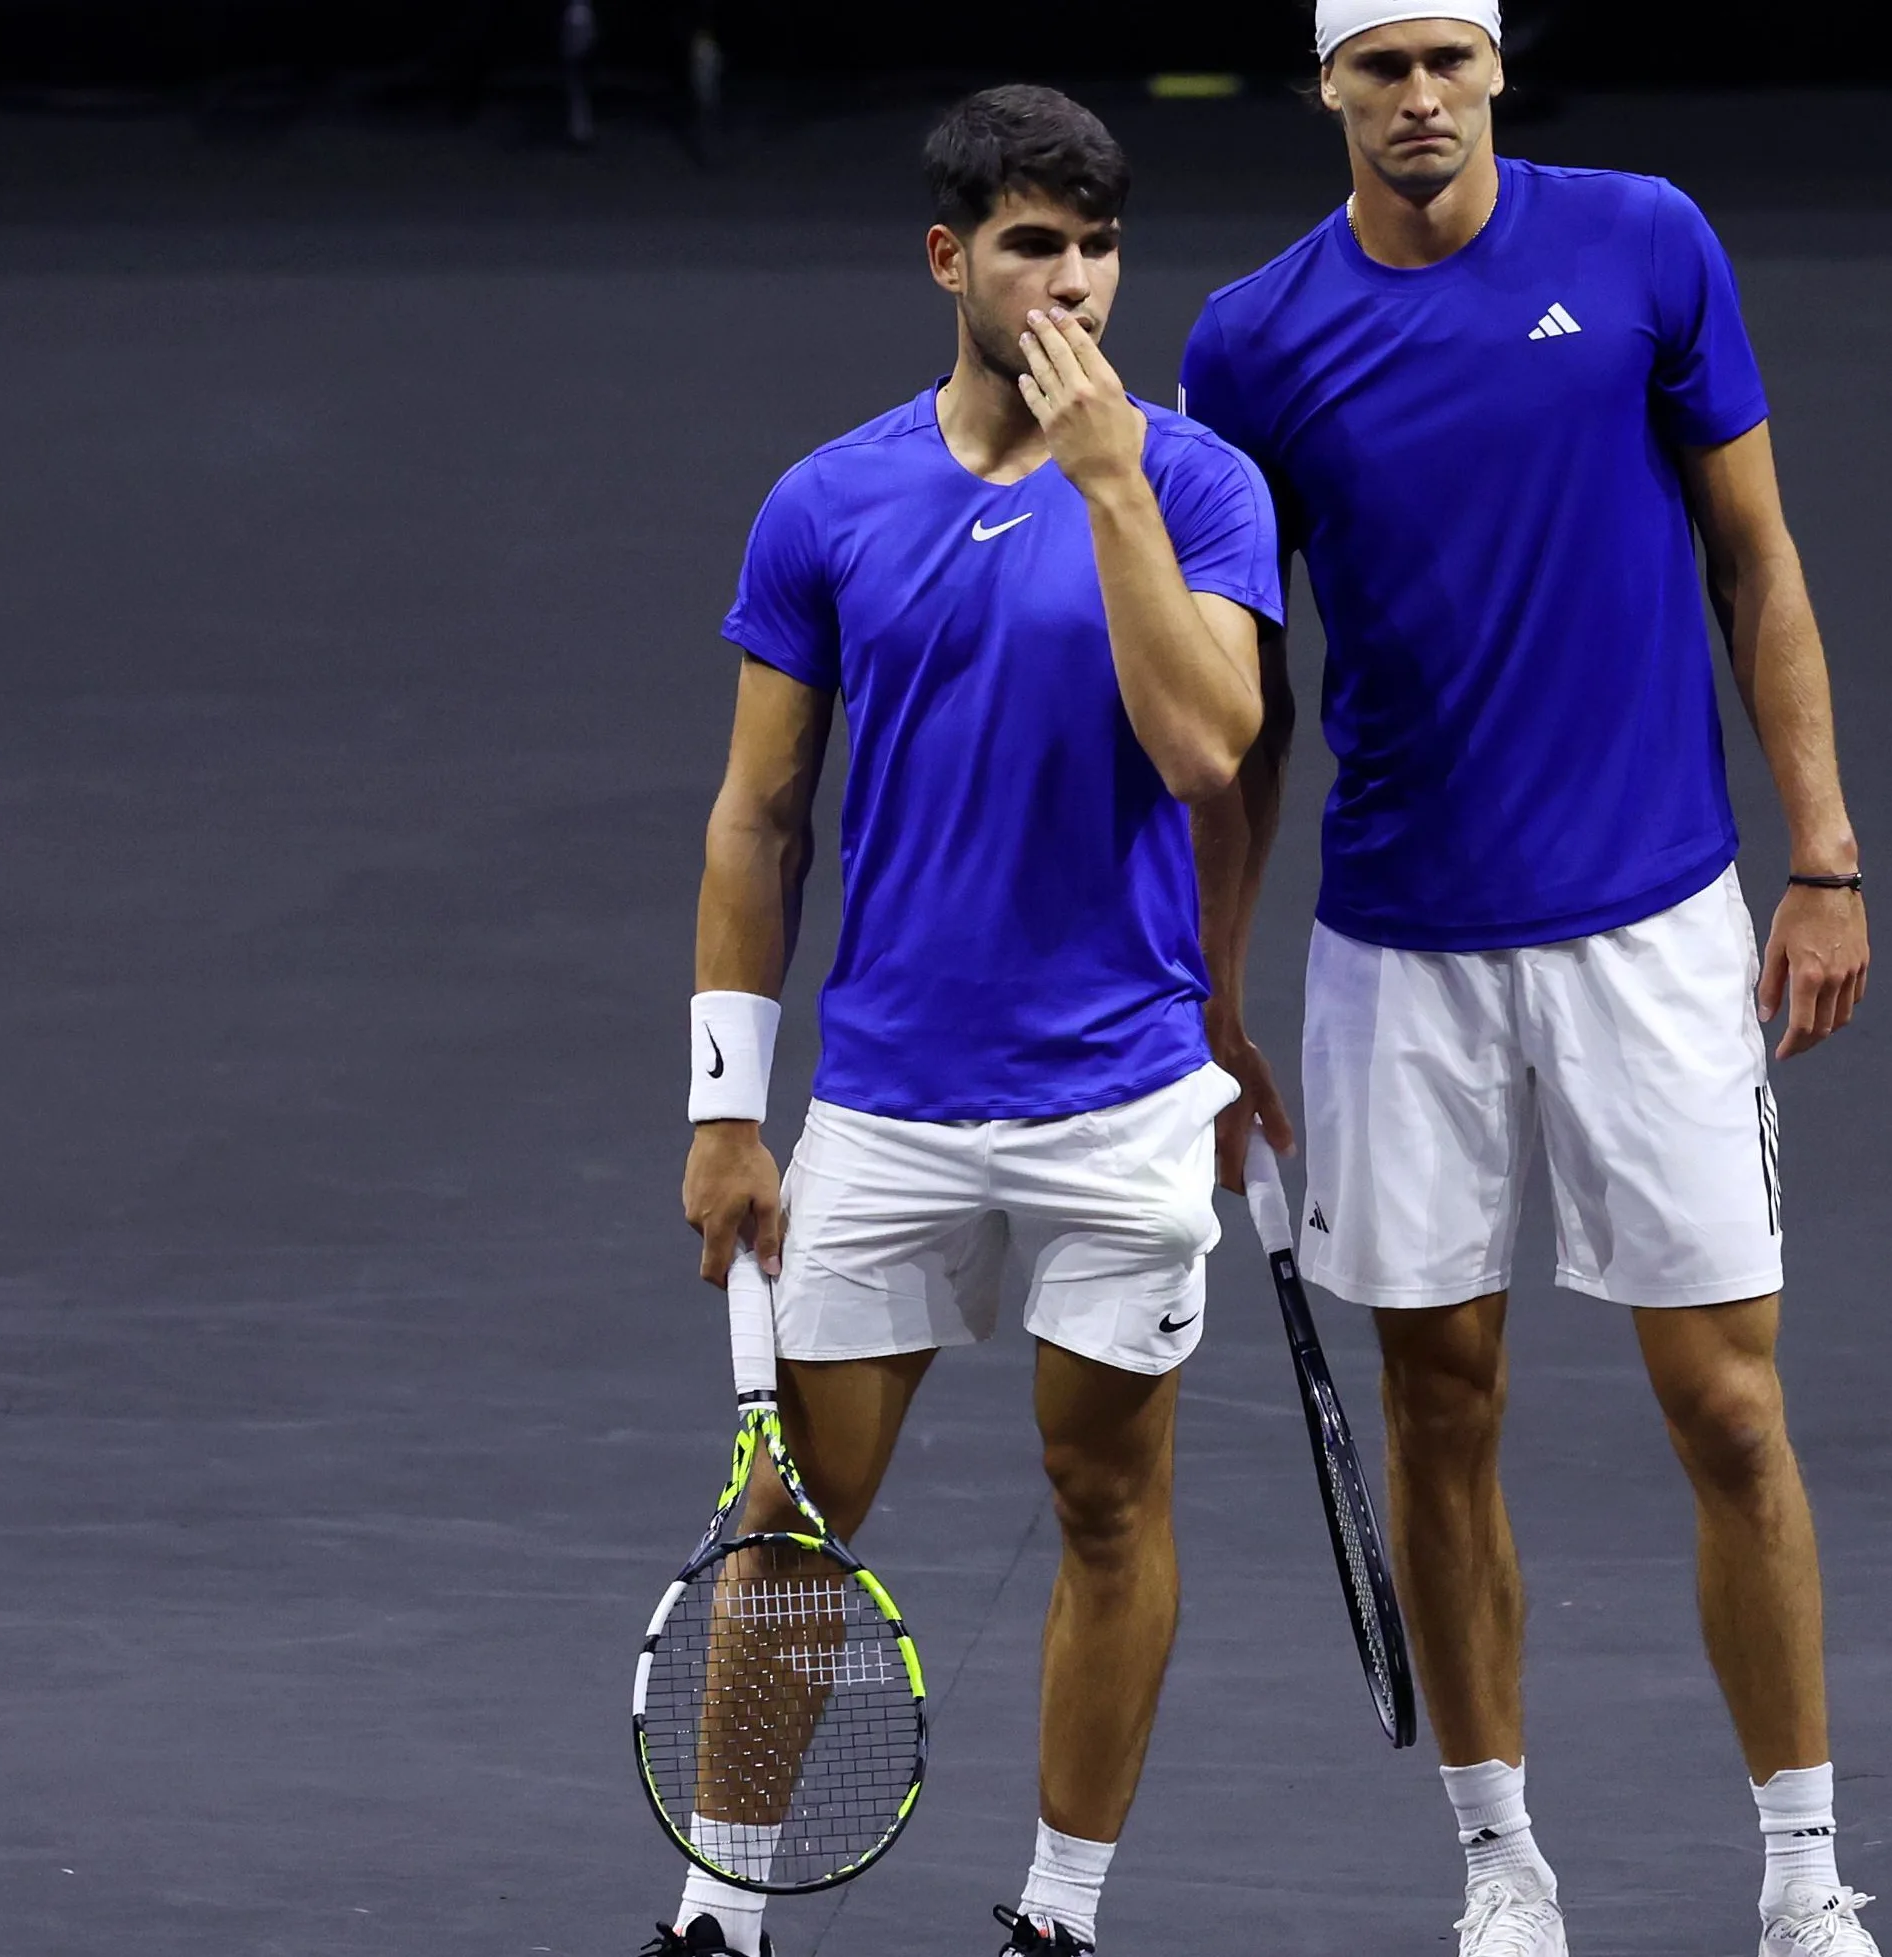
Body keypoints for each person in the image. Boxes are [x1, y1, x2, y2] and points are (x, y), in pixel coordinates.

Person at [1177, 8, 1877, 1956]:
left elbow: (1756, 560)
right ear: (1324, 85)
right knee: (1440, 1402)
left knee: (1727, 1409)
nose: (1416, 97)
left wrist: (1816, 856)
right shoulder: (1246, 344)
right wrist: (1208, 990)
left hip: (1654, 939)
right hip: (1395, 958)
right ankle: (1501, 1865)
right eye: (1376, 65)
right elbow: (1244, 715)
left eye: (1445, 61)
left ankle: (1803, 1879)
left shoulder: (1645, 241)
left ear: (1493, 70)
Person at [656, 83, 1281, 1957]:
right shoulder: (826, 501)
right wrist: (722, 1107)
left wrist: (1105, 486)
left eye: (1096, 249)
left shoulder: (1194, 484)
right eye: (1031, 248)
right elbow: (757, 819)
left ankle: (1061, 1919)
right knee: (788, 1525)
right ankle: (718, 1918)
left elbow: (1208, 748)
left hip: (1119, 1113)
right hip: (892, 1111)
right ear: (950, 260)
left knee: (1108, 1503)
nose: (1071, 288)